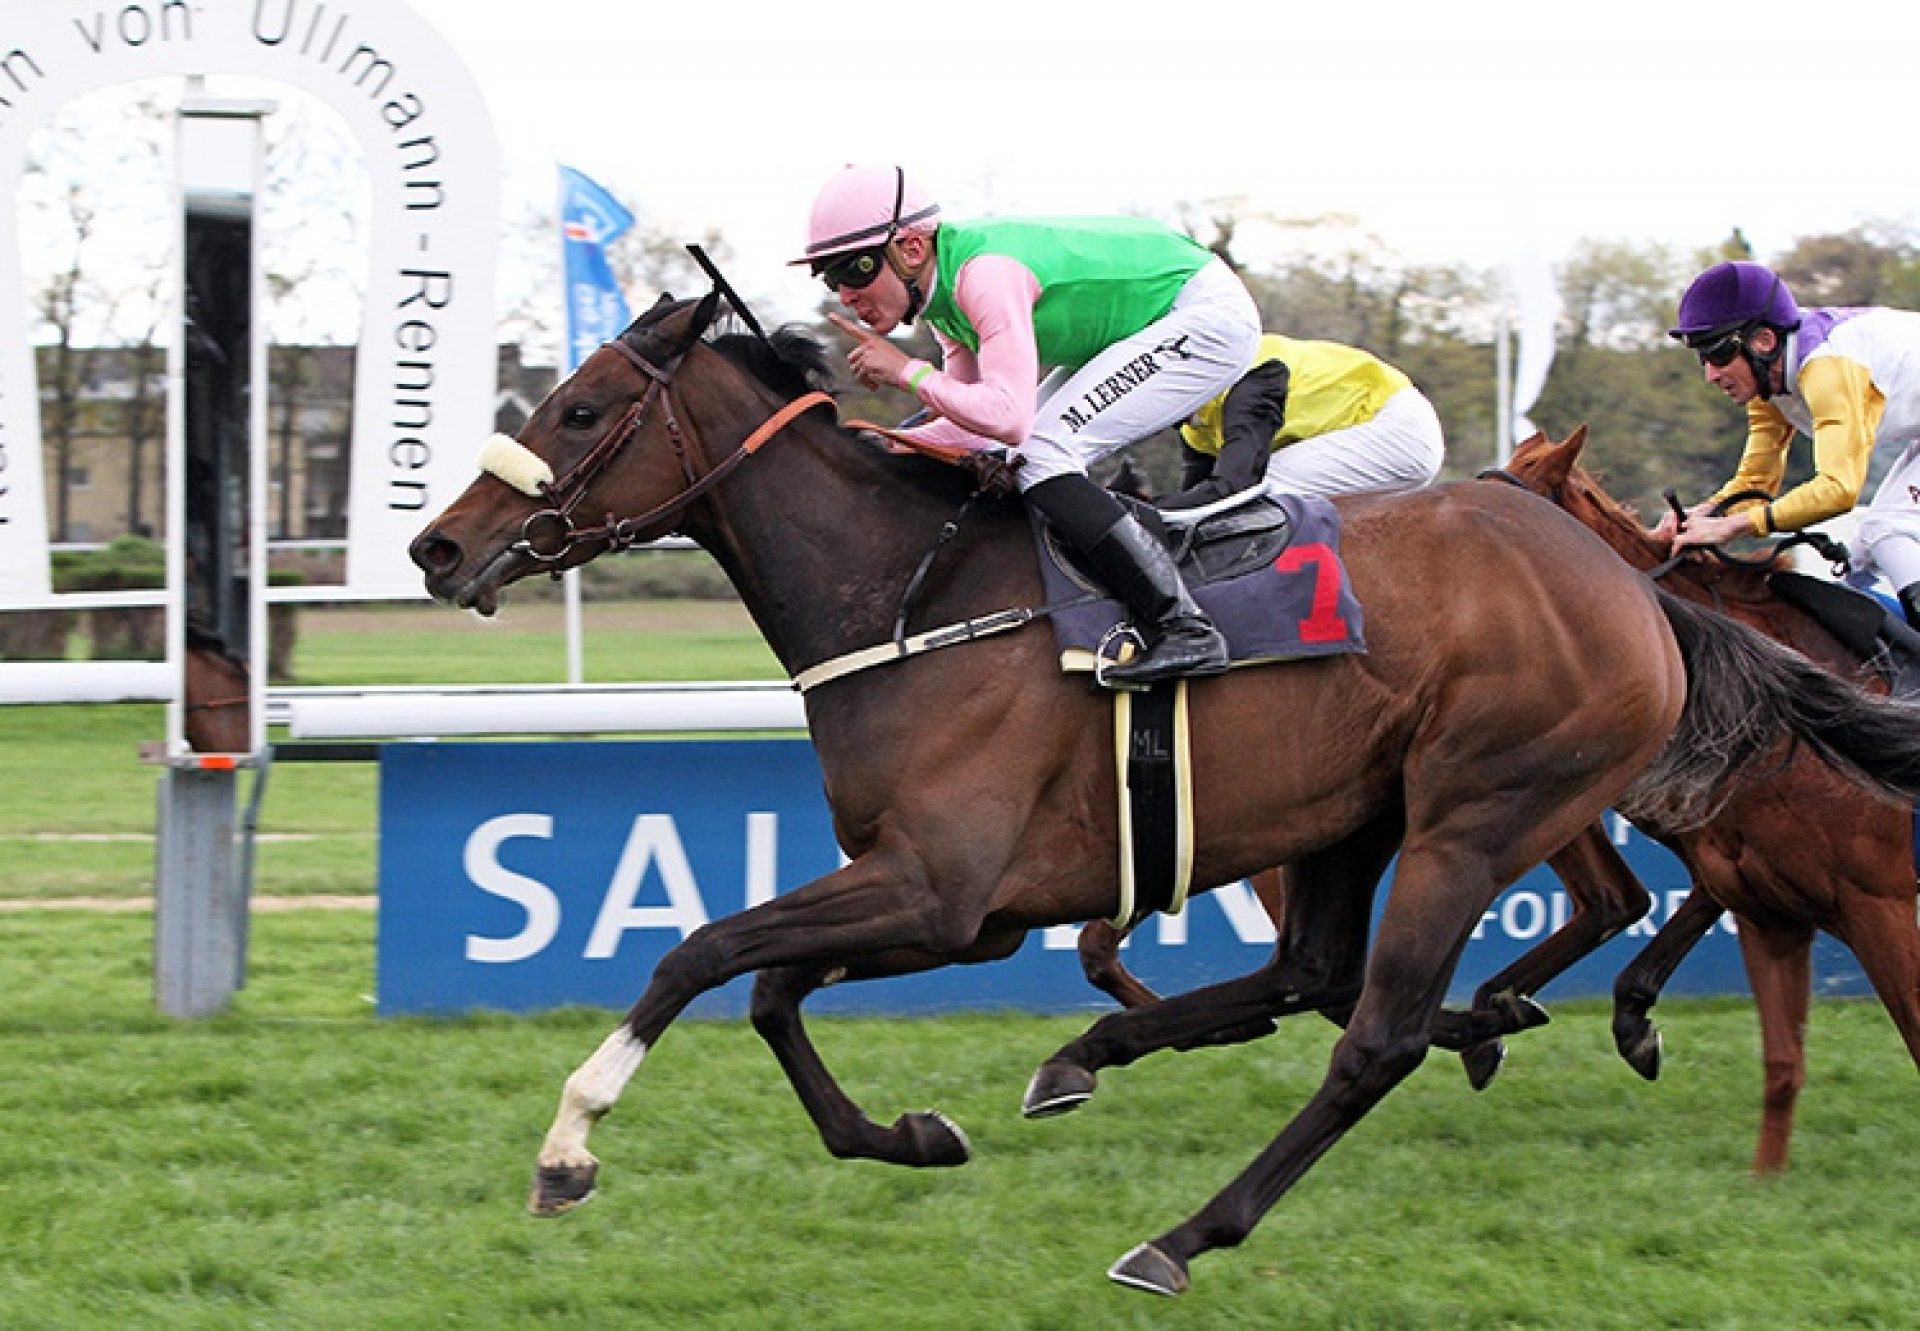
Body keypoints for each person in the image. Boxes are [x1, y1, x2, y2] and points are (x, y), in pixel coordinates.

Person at [796, 164, 1261, 686]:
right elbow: (973, 431)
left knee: (1041, 450)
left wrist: (906, 371)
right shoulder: (943, 298)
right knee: (1025, 453)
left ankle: (1185, 628)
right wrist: (882, 444)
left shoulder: (983, 275)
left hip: (1204, 316)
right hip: (1153, 318)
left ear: (910, 249)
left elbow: (1008, 419)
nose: (846, 294)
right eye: (831, 277)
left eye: (854, 269)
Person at [1656, 259, 1920, 627]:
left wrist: (1733, 527)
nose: (1711, 375)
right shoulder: (1770, 380)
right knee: (1854, 571)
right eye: (1702, 357)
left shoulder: (1827, 369)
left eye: (1718, 354)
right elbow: (1756, 483)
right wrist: (1706, 514)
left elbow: (1839, 489)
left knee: (1886, 531)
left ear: (1763, 340)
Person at [1160, 333, 1445, 510]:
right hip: (1382, 427)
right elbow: (1193, 503)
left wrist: (1135, 512)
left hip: (1396, 428)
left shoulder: (1249, 384)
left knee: (1255, 497)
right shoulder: (1194, 425)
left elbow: (1234, 487)